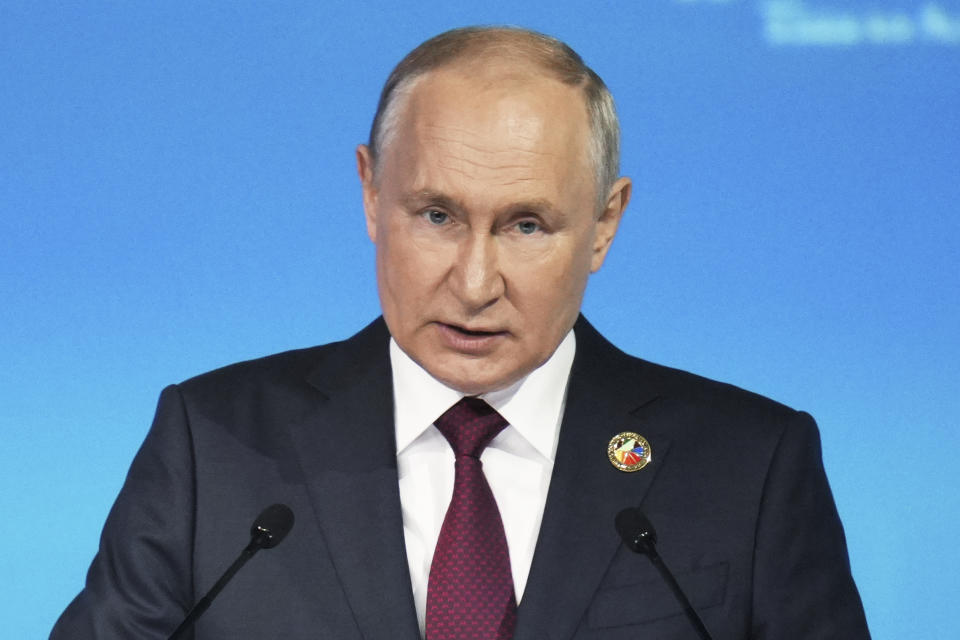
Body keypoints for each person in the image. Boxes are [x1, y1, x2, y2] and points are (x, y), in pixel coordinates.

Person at [51, 26, 870, 639]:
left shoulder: (751, 469)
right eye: (437, 215)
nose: (475, 284)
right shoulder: (214, 446)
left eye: (526, 226)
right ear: (373, 194)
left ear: (604, 224)